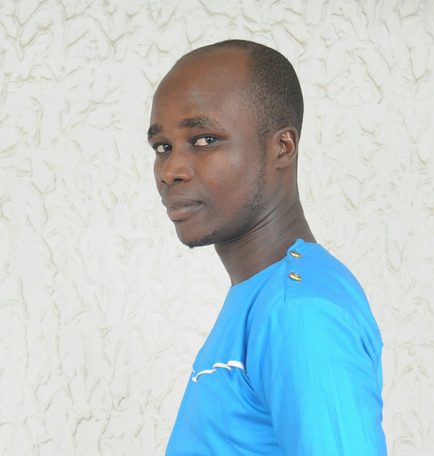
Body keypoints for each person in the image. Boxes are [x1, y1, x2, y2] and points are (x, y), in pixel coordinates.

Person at [147, 39, 387, 456]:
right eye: (162, 147)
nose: (170, 170)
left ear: (282, 147)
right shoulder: (263, 296)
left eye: (204, 140)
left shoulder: (301, 311)